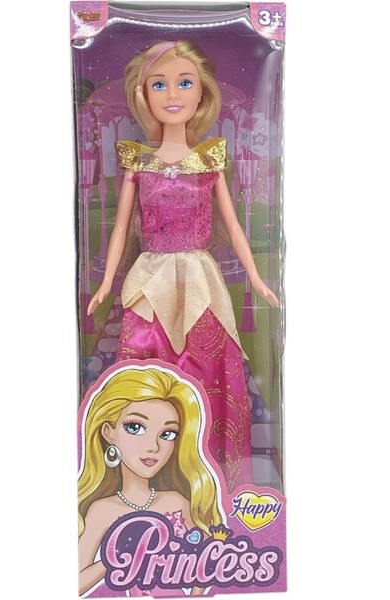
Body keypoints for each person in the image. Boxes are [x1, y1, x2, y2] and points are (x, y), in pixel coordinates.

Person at [87, 40, 279, 491]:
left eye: (184, 83)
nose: (172, 94)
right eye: (159, 84)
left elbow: (234, 226)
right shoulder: (139, 162)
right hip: (149, 277)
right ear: (143, 94)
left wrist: (256, 277)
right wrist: (107, 282)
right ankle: (144, 478)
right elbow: (121, 228)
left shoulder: (208, 161)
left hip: (199, 278)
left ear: (201, 92)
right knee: (147, 363)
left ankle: (213, 473)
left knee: (207, 363)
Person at [78, 365, 223, 596]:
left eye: (168, 434)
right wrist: (113, 557)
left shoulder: (176, 502)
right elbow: (76, 583)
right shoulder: (103, 510)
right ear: (108, 432)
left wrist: (196, 595)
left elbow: (208, 557)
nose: (153, 447)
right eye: (135, 427)